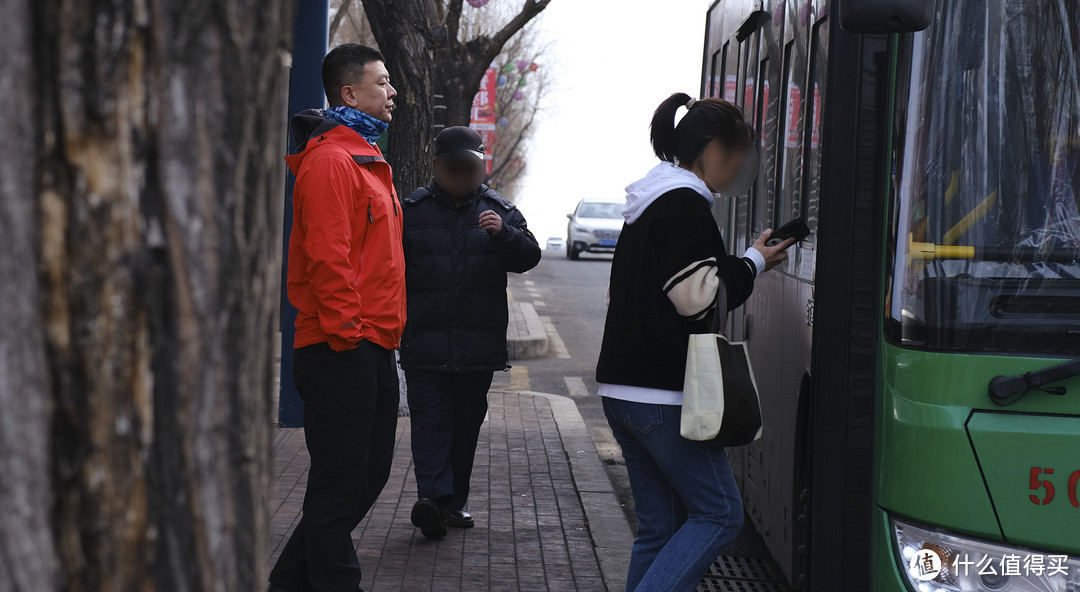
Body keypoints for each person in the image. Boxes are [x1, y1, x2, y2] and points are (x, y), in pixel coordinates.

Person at [595, 93, 793, 592]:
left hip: (622, 390)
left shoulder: (647, 202)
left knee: (660, 527)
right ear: (712, 150)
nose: (738, 168)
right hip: (660, 394)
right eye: (736, 154)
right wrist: (751, 263)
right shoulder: (685, 204)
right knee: (720, 514)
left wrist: (743, 258)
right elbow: (694, 295)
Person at [268, 44, 403, 592]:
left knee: (365, 478)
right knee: (340, 486)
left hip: (373, 343)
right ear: (349, 93)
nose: (393, 93)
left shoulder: (368, 157)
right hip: (339, 345)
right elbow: (329, 257)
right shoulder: (330, 161)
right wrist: (348, 337)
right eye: (383, 82)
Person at [400, 126, 542, 539]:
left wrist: (505, 235)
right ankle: (433, 499)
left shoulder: (501, 211)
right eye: (453, 167)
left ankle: (452, 502)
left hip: (477, 345)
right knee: (429, 422)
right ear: (435, 167)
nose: (462, 175)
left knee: (464, 427)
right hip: (424, 342)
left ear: (483, 167)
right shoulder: (411, 210)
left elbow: (529, 257)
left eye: (470, 167)